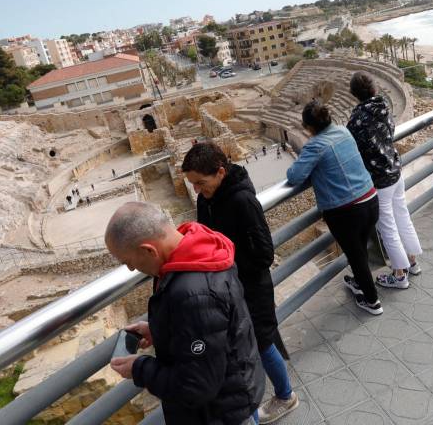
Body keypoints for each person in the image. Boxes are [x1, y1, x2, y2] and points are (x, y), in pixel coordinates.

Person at [106, 202, 264, 425]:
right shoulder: (200, 251)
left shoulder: (193, 294)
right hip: (235, 391)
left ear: (149, 250)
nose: (132, 269)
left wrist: (139, 368)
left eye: (129, 262)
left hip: (220, 413)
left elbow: (196, 386)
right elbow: (212, 330)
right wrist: (160, 331)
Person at [182, 143, 298, 424]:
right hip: (227, 286)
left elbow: (264, 253)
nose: (196, 190)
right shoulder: (206, 198)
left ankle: (285, 396)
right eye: (192, 184)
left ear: (221, 172)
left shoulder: (241, 201)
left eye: (200, 182)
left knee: (261, 342)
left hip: (251, 286)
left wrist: (225, 261)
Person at [287, 101, 382, 315]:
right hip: (370, 199)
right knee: (360, 250)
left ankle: (372, 301)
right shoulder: (344, 132)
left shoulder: (315, 145)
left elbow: (294, 176)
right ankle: (360, 283)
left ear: (308, 127)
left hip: (347, 211)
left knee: (356, 255)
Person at [347, 72, 423, 289]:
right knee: (403, 216)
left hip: (379, 180)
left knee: (387, 227)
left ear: (354, 94)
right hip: (395, 171)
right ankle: (412, 262)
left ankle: (399, 276)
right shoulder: (384, 108)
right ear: (375, 89)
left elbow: (355, 148)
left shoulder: (356, 119)